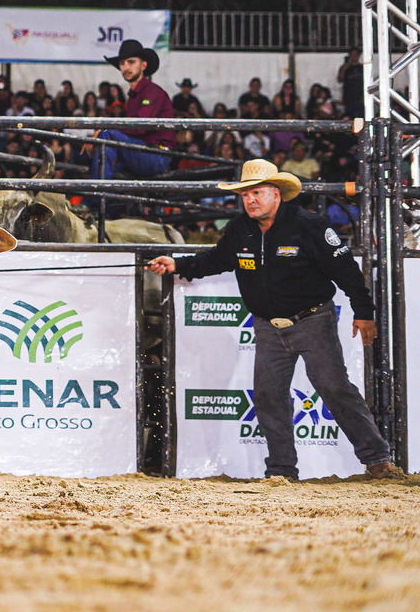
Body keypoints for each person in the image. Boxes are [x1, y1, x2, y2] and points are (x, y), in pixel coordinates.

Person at [147, 159, 399, 480]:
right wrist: (178, 265)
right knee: (268, 397)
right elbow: (216, 259)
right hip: (267, 326)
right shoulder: (240, 229)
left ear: (276, 194)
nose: (250, 200)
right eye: (245, 194)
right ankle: (281, 470)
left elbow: (347, 272)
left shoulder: (310, 226)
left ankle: (377, 458)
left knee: (335, 389)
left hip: (312, 321)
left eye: (257, 193)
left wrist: (363, 313)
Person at [90, 39, 174, 178]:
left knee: (106, 135)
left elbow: (139, 127)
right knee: (108, 165)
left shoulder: (152, 92)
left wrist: (102, 131)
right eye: (122, 63)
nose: (126, 67)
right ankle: (98, 188)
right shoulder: (134, 97)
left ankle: (94, 191)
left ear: (143, 65)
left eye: (131, 62)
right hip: (143, 152)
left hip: (156, 154)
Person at [338, 49, 365, 119]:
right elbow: (340, 80)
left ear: (359, 55)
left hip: (360, 97)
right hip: (348, 97)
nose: (354, 56)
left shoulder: (362, 68)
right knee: (349, 117)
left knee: (359, 117)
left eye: (355, 54)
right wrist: (344, 68)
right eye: (352, 54)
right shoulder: (345, 67)